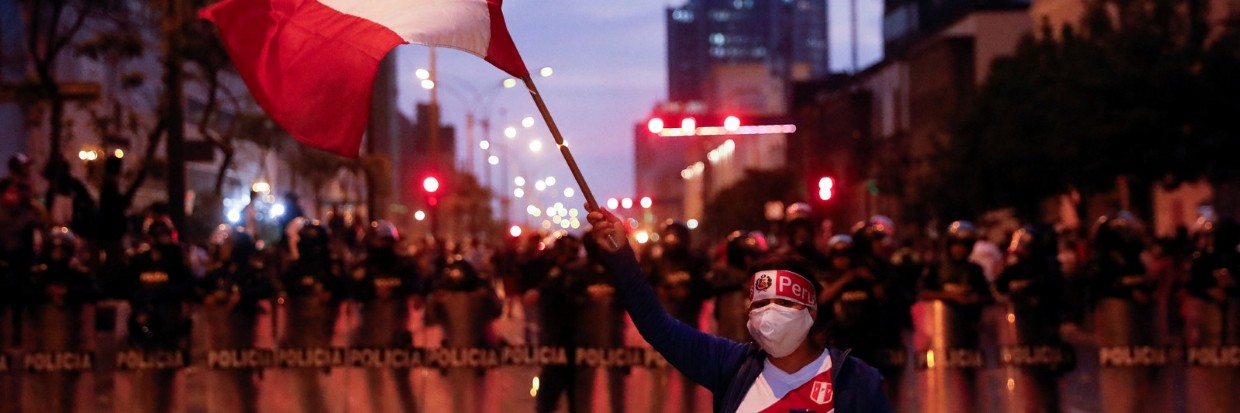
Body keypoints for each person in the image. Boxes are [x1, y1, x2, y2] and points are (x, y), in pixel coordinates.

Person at [586, 208, 891, 413]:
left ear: (810, 311)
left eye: (784, 303)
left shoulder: (856, 381)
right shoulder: (731, 366)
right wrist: (621, 256)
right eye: (760, 303)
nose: (770, 313)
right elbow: (658, 327)